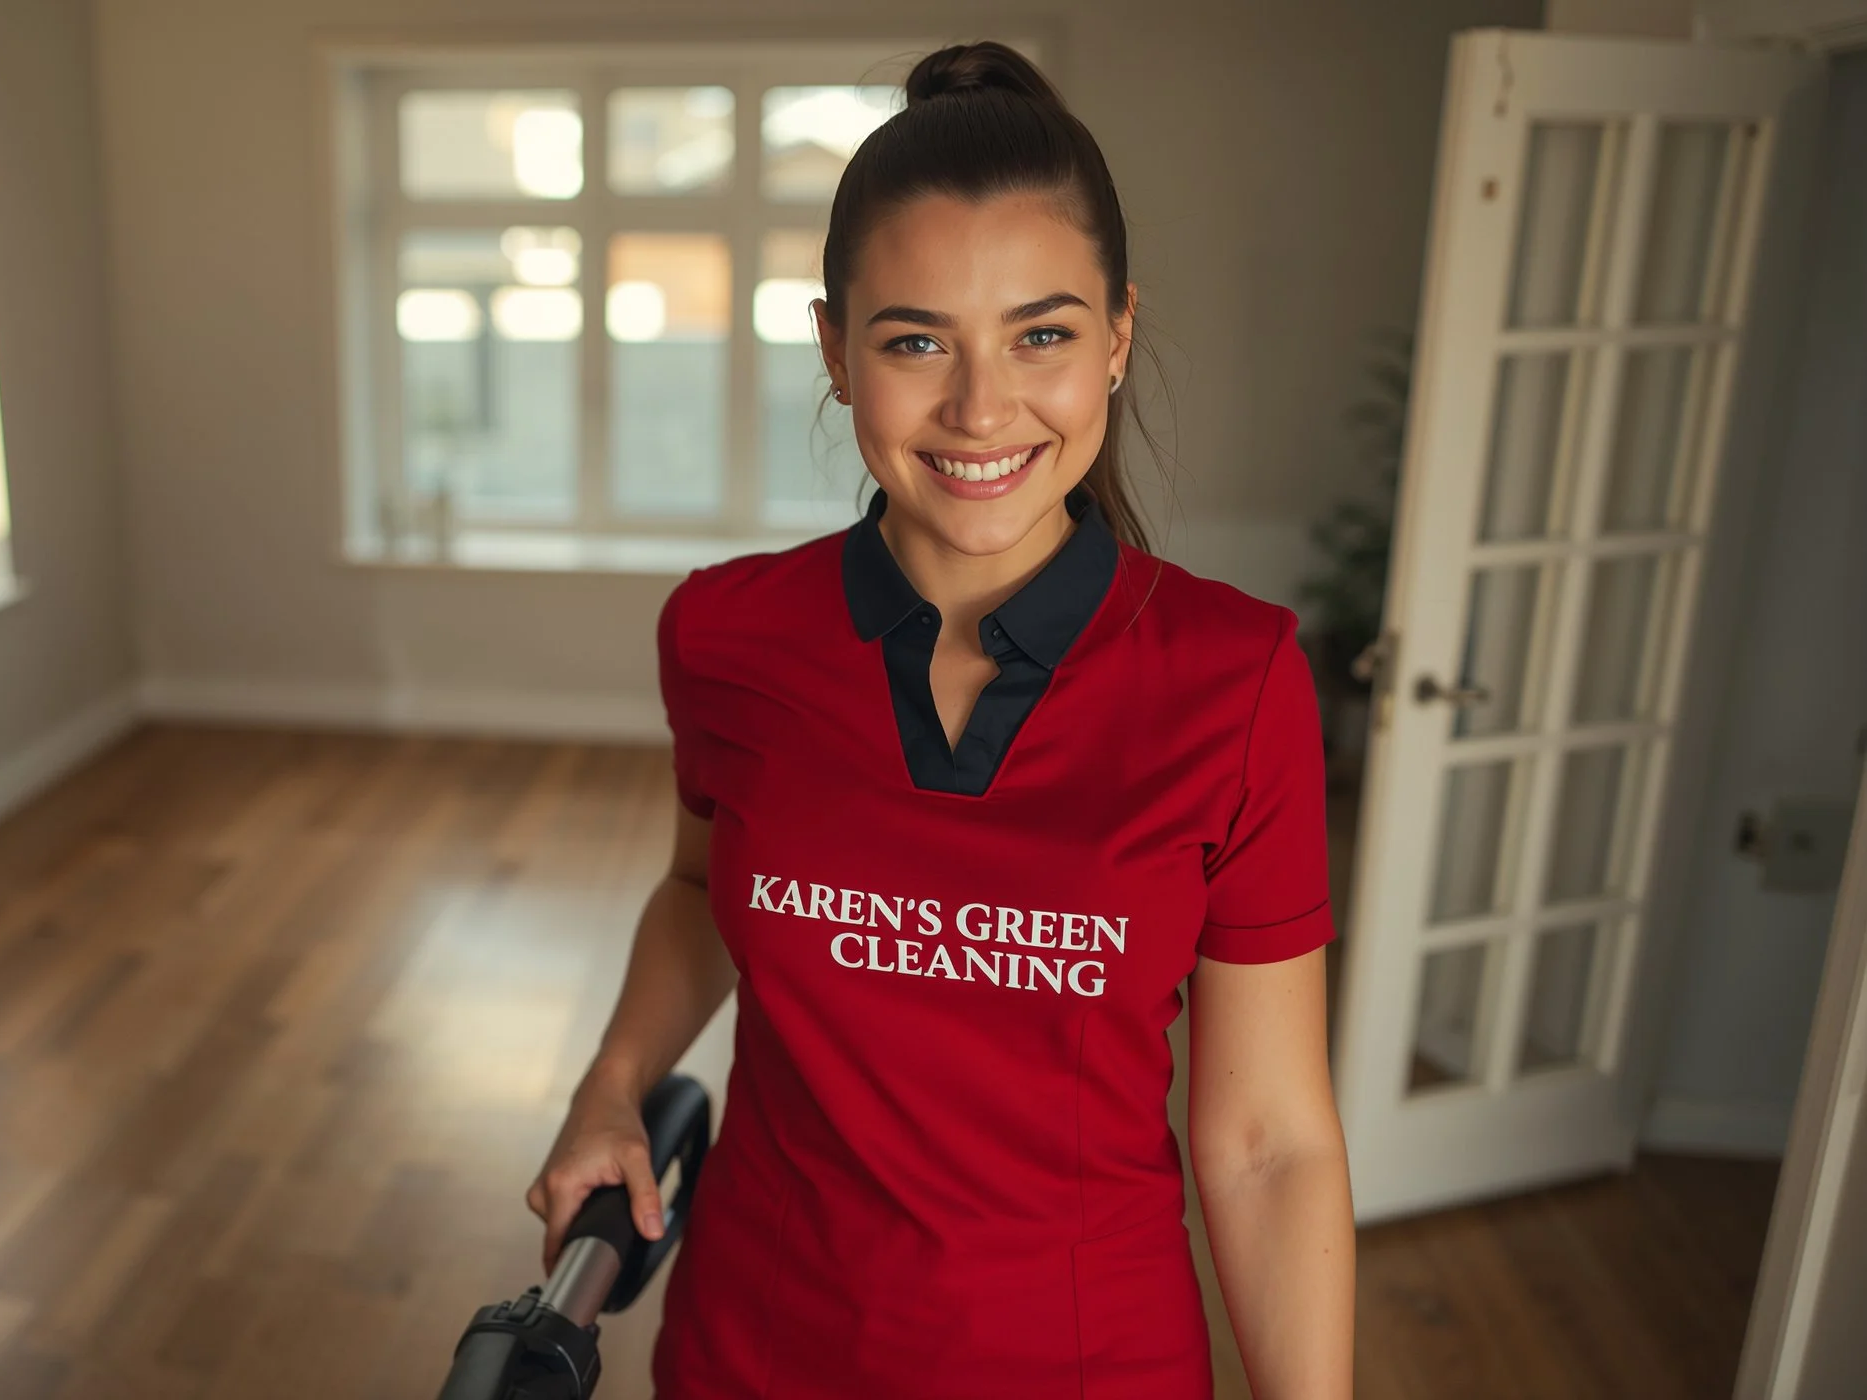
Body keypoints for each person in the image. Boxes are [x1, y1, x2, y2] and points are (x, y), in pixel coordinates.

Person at [523, 38, 1356, 1399]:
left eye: (1042, 335)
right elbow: (697, 887)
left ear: (1118, 337)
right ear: (836, 353)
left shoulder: (1237, 679)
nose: (981, 408)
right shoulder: (727, 637)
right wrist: (612, 1081)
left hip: (1088, 1365)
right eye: (916, 341)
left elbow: (1269, 1144)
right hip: (758, 1349)